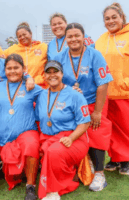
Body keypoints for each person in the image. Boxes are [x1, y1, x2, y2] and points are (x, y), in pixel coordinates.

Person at [54, 23, 113, 191]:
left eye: (76, 35)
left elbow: (103, 85)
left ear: (83, 36)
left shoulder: (94, 54)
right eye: (70, 36)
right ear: (65, 39)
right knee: (72, 134)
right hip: (71, 103)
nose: (73, 39)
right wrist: (68, 91)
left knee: (96, 133)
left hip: (94, 100)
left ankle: (100, 173)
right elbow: (55, 82)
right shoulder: (60, 57)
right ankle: (81, 168)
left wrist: (97, 112)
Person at [35, 60, 90, 200]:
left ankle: (53, 191)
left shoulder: (75, 94)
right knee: (39, 148)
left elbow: (85, 123)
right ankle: (70, 175)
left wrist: (71, 138)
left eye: (56, 72)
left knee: (53, 152)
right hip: (49, 137)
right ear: (44, 76)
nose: (52, 75)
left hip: (73, 138)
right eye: (49, 72)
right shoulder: (42, 95)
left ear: (62, 74)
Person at [0, 54, 42, 200]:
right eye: (9, 68)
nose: (12, 71)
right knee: (13, 174)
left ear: (24, 69)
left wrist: (29, 78)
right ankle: (29, 169)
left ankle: (31, 186)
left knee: (31, 144)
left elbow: (53, 93)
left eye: (16, 67)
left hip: (26, 132)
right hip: (4, 140)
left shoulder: (31, 86)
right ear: (4, 70)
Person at [96, 3, 129, 175]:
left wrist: (125, 82)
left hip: (124, 92)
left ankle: (127, 160)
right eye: (107, 19)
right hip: (105, 93)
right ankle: (115, 159)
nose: (111, 21)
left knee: (126, 128)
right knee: (111, 129)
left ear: (122, 17)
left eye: (114, 17)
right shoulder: (101, 39)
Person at [4, 22, 47, 87]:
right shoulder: (12, 50)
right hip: (20, 88)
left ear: (31, 34)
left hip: (40, 86)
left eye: (24, 34)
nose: (22, 37)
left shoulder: (43, 47)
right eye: (19, 36)